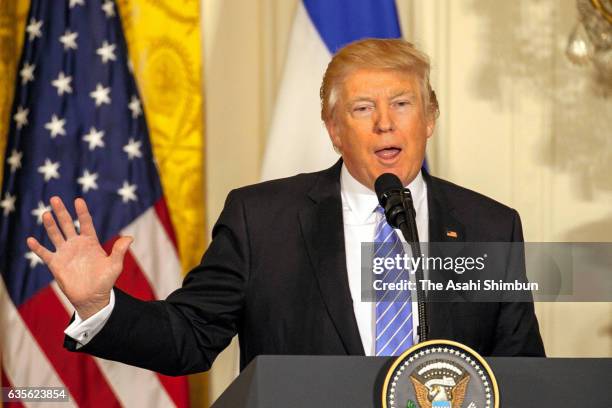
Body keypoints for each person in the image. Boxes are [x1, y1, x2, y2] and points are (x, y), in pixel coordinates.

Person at [27, 39, 544, 376]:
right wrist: (100, 306)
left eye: (403, 104)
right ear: (334, 129)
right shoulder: (262, 220)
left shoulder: (491, 226)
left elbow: (522, 374)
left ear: (429, 118)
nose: (386, 123)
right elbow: (189, 337)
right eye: (363, 109)